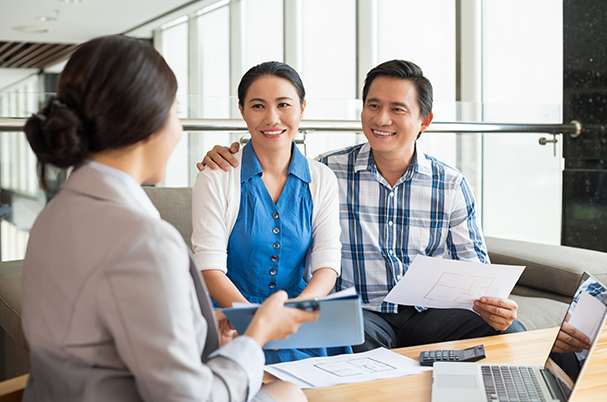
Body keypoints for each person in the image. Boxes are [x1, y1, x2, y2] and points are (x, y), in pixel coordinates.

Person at [21, 35, 315, 402]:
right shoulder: (143, 241)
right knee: (289, 394)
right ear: (148, 122)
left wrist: (204, 332)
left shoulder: (53, 216)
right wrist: (257, 334)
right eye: (175, 111)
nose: (178, 128)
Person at [199, 59, 525, 352]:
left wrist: (495, 305)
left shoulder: (450, 184)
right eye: (373, 105)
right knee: (348, 337)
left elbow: (477, 272)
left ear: (425, 120)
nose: (382, 119)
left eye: (397, 109)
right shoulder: (327, 172)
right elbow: (272, 160)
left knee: (510, 331)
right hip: (364, 316)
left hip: (431, 316)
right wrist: (226, 153)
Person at [192, 61, 348, 364]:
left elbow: (327, 264)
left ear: (302, 107)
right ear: (242, 110)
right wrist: (261, 322)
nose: (271, 118)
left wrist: (296, 312)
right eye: (258, 106)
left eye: (284, 104)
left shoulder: (322, 178)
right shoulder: (216, 175)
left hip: (298, 315)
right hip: (230, 317)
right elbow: (209, 268)